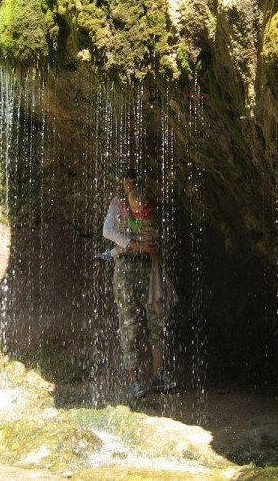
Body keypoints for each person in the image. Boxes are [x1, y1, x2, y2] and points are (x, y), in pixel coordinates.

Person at [101, 169, 177, 398]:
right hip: (126, 267)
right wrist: (137, 246)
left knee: (158, 320)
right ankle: (133, 380)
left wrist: (155, 242)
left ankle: (159, 376)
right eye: (126, 182)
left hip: (149, 267)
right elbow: (108, 231)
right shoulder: (118, 204)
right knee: (130, 323)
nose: (130, 186)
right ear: (121, 185)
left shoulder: (148, 202)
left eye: (134, 182)